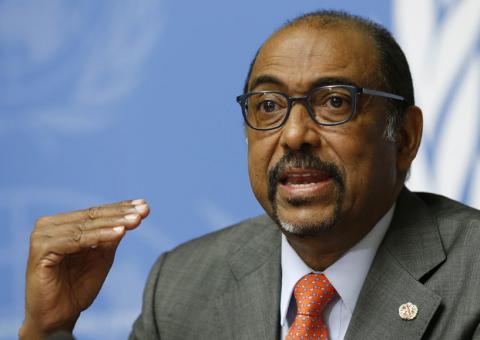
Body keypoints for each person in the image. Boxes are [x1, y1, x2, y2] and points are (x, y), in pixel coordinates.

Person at [19, 10, 480, 340]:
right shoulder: (182, 282)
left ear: (404, 137)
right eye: (269, 106)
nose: (295, 134)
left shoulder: (472, 275)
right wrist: (49, 330)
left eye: (334, 102)